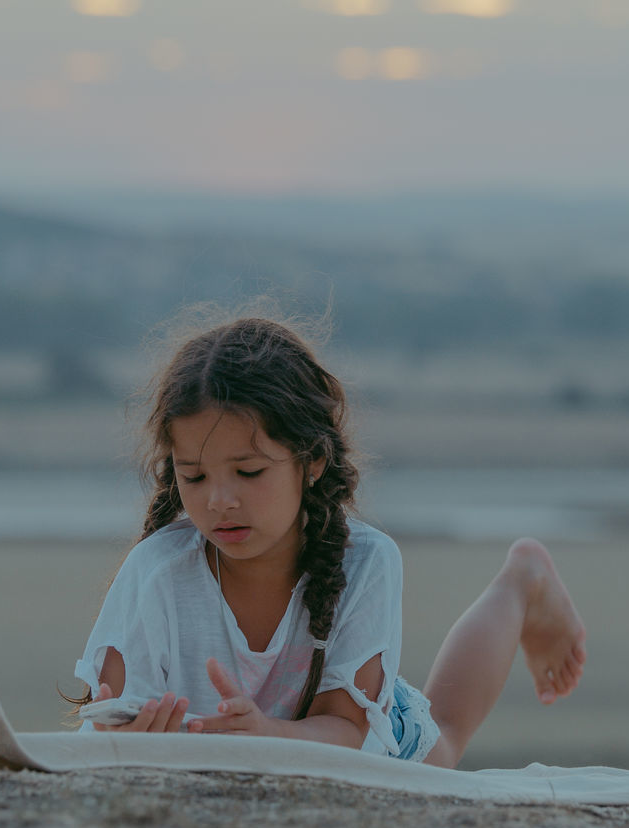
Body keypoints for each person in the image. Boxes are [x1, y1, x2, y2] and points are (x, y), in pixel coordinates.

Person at [68, 315, 585, 767]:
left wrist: (266, 736)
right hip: (239, 751)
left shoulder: (366, 562)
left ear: (312, 460)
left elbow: (344, 729)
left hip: (342, 722)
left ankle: (522, 580)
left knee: (443, 749)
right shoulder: (155, 572)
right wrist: (126, 741)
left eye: (248, 472)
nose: (219, 501)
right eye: (194, 477)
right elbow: (105, 725)